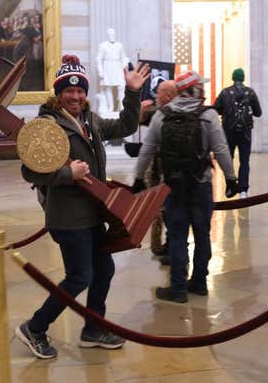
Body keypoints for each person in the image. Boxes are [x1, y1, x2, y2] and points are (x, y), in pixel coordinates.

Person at [16, 54, 150, 359]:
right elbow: (29, 171)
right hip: (67, 216)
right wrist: (67, 173)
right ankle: (35, 328)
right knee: (80, 276)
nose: (75, 96)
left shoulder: (90, 120)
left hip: (92, 213)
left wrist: (132, 92)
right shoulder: (46, 125)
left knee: (103, 268)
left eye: (80, 91)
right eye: (69, 91)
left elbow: (127, 125)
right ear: (58, 93)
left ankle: (93, 329)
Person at [132, 71, 237, 303]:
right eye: (201, 85)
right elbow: (221, 149)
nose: (204, 89)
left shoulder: (162, 115)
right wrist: (231, 178)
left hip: (173, 186)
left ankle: (178, 288)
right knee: (202, 234)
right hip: (200, 184)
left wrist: (138, 178)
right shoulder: (208, 115)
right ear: (195, 89)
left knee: (178, 236)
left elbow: (147, 149)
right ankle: (199, 282)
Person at [139, 80, 178, 257]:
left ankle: (166, 246)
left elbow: (141, 120)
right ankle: (162, 245)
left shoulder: (162, 112)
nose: (156, 95)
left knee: (163, 208)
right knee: (162, 208)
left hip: (163, 170)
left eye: (160, 92)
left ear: (168, 95)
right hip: (164, 169)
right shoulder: (172, 111)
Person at [213, 68, 262, 199]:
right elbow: (258, 112)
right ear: (243, 78)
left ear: (233, 78)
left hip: (229, 132)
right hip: (245, 133)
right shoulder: (250, 93)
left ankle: (231, 186)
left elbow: (215, 109)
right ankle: (243, 190)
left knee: (228, 160)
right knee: (244, 161)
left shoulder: (225, 93)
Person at [96, 28, 129, 111]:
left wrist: (125, 62)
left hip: (117, 66)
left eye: (113, 34)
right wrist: (100, 71)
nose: (112, 36)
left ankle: (121, 105)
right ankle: (110, 107)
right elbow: (99, 58)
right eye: (110, 34)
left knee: (121, 86)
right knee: (108, 87)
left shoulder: (119, 45)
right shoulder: (103, 45)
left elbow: (123, 56)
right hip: (107, 66)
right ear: (108, 35)